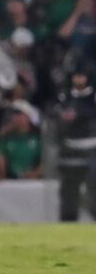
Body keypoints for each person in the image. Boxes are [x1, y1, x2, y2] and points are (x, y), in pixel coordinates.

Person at [54, 70, 96, 221]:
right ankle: (68, 220)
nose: (79, 79)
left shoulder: (92, 96)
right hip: (70, 149)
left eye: (82, 75)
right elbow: (55, 114)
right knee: (69, 191)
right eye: (76, 76)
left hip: (92, 148)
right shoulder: (65, 96)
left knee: (94, 188)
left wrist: (78, 115)